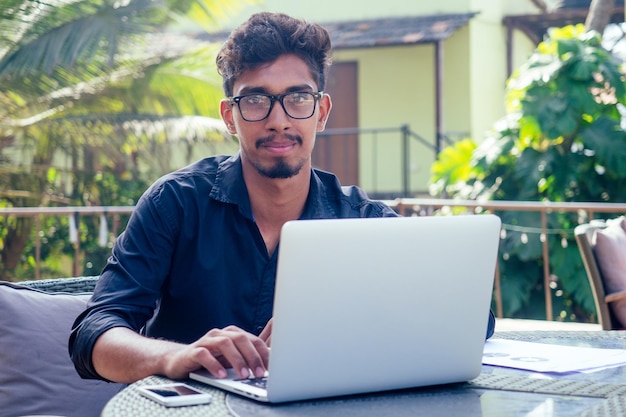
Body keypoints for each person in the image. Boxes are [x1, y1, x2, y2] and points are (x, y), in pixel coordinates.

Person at [69, 12, 495, 385]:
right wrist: (176, 355)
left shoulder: (365, 222)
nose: (278, 120)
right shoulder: (175, 203)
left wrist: (347, 324)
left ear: (322, 112)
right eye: (255, 100)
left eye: (297, 99)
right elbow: (93, 334)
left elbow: (472, 321)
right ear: (230, 117)